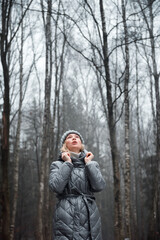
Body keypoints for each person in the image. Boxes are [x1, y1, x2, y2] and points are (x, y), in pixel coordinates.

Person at [49, 130, 106, 240]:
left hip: (90, 213)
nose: (74, 138)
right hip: (66, 214)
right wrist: (68, 163)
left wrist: (89, 163)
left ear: (81, 143)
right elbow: (56, 187)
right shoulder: (57, 164)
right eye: (70, 137)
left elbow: (99, 186)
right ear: (65, 144)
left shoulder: (92, 164)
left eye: (77, 137)